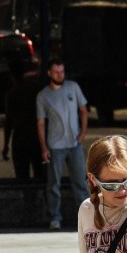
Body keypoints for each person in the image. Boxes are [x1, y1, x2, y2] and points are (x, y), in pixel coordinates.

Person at [36, 59, 89, 230]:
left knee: (81, 182)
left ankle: (86, 218)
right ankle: (55, 217)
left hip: (74, 144)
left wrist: (82, 134)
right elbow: (41, 123)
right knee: (54, 183)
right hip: (55, 145)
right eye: (56, 72)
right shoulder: (43, 96)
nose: (60, 75)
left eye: (62, 71)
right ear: (49, 73)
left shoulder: (72, 87)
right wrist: (44, 147)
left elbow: (83, 110)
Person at [2, 61, 45, 182]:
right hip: (37, 138)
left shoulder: (12, 94)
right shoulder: (37, 89)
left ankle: (28, 199)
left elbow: (9, 121)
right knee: (40, 173)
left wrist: (5, 145)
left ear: (12, 75)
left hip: (21, 138)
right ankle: (41, 199)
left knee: (22, 176)